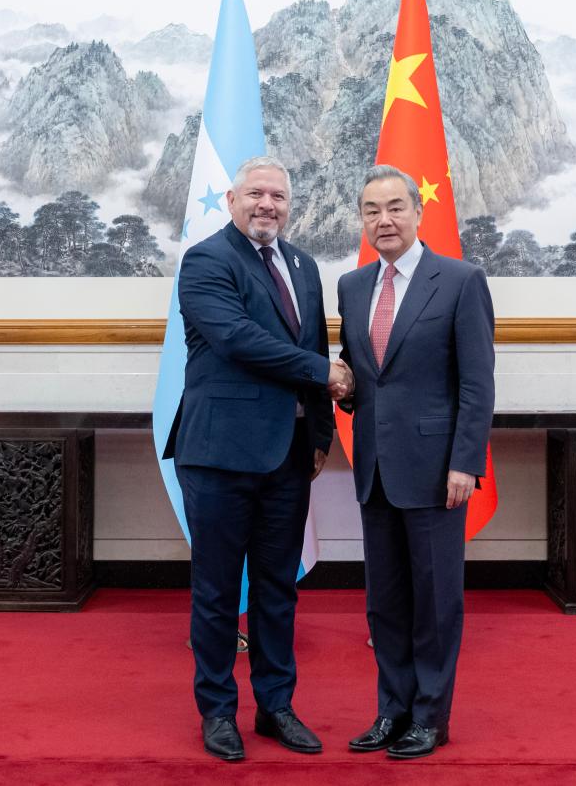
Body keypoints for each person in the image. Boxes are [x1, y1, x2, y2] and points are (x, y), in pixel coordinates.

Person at [163, 155, 353, 762]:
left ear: (289, 206)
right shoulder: (207, 260)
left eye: (278, 196)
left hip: (287, 457)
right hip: (219, 456)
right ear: (232, 201)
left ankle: (275, 707)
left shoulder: (302, 265)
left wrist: (319, 434)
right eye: (256, 194)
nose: (267, 204)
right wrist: (324, 372)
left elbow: (312, 342)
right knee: (219, 591)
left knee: (277, 589)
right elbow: (238, 339)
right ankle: (218, 711)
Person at [335, 164, 495, 759]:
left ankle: (430, 716)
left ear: (418, 212)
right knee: (385, 603)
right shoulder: (352, 286)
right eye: (372, 210)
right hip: (375, 468)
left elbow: (477, 383)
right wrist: (341, 387)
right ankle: (392, 710)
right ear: (362, 219)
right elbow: (364, 375)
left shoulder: (459, 280)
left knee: (434, 601)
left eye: (395, 207)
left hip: (436, 470)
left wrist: (465, 462)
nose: (384, 220)